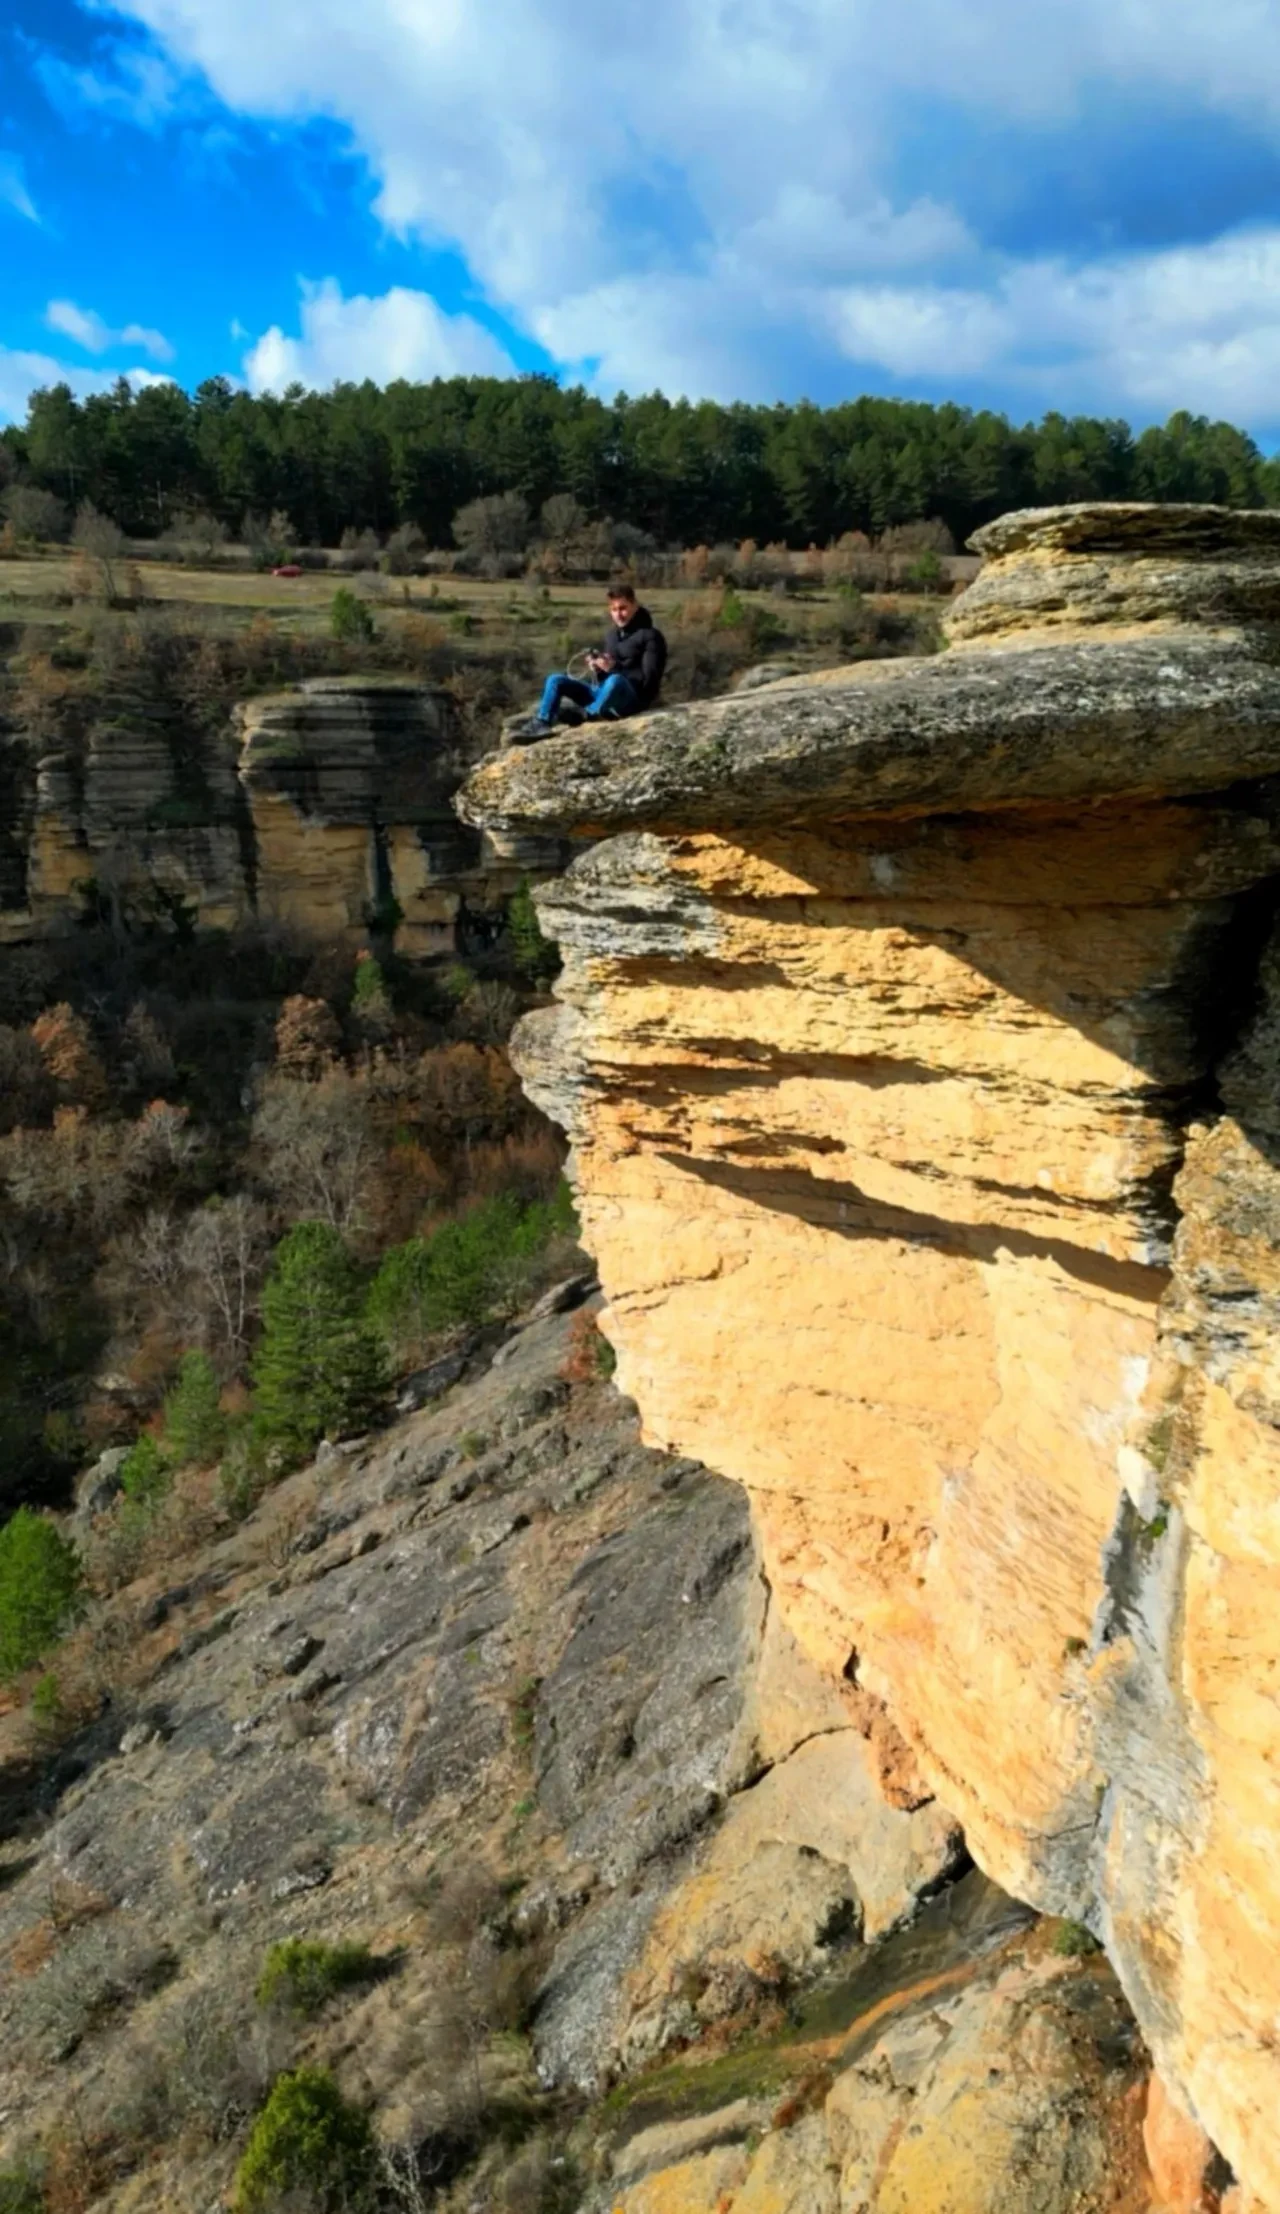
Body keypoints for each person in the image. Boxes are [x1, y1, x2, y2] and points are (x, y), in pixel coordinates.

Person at [523, 583, 666, 737]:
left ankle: (585, 715)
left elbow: (650, 680)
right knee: (555, 679)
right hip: (603, 692)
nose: (619, 614)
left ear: (635, 606)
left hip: (631, 700)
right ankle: (542, 722)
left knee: (616, 680)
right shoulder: (612, 636)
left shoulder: (651, 636)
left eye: (623, 608)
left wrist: (613, 668)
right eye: (614, 610)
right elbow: (605, 676)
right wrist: (598, 669)